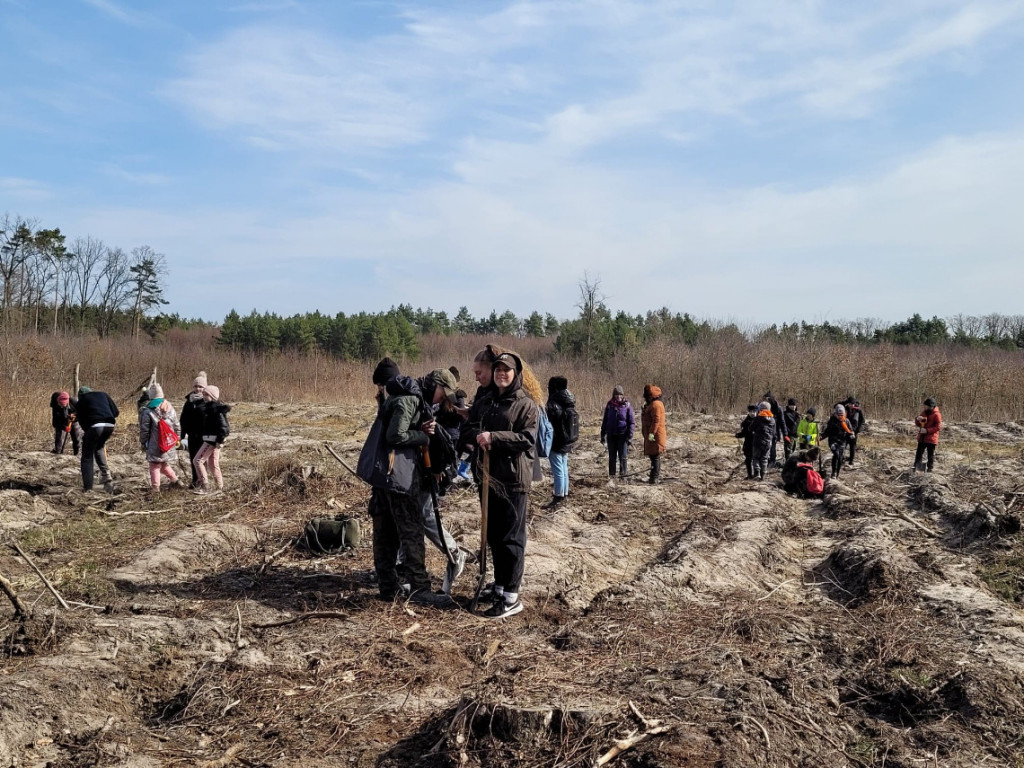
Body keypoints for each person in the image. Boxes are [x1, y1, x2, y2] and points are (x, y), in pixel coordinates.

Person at [463, 351, 538, 618]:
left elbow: (527, 438)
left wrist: (494, 437)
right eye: (497, 370)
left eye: (506, 370)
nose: (501, 374)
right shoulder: (487, 401)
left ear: (516, 374)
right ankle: (499, 585)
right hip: (488, 478)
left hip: (513, 481)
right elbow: (469, 428)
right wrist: (475, 436)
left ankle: (511, 598)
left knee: (511, 539)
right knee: (494, 536)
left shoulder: (526, 405)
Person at [138, 383, 183, 493]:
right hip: (169, 442)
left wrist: (143, 442)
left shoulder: (148, 410)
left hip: (155, 444)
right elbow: (176, 424)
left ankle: (155, 489)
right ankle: (175, 481)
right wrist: (177, 438)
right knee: (163, 464)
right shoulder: (170, 407)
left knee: (154, 466)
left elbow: (145, 429)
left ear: (151, 396)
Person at [75, 386, 119, 493]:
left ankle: (88, 488)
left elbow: (82, 421)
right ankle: (107, 477)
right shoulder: (103, 394)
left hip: (95, 426)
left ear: (80, 396)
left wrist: (89, 432)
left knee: (87, 456)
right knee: (99, 448)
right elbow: (116, 412)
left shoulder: (81, 402)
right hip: (110, 425)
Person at [544, 376, 579, 508]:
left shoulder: (554, 403)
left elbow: (551, 424)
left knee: (558, 469)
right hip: (567, 440)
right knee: (564, 468)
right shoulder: (569, 400)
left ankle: (558, 497)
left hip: (557, 441)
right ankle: (564, 493)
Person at [193, 385, 230, 494]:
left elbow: (224, 428)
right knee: (213, 464)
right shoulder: (209, 408)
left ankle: (205, 486)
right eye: (203, 394)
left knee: (197, 460)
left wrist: (220, 440)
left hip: (212, 440)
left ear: (213, 396)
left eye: (206, 394)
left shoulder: (216, 410)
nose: (203, 396)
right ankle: (220, 488)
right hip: (211, 439)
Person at [179, 371, 208, 488]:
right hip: (191, 435)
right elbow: (183, 418)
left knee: (201, 460)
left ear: (204, 387)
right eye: (196, 386)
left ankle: (203, 481)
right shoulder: (189, 401)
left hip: (204, 435)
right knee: (193, 459)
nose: (198, 389)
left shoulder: (207, 401)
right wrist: (182, 434)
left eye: (200, 386)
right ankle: (195, 481)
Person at [600, 386, 634, 479]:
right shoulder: (609, 405)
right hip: (611, 435)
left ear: (623, 395)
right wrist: (602, 434)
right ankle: (612, 476)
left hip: (622, 435)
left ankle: (623, 477)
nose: (618, 396)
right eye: (616, 394)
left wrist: (630, 435)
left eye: (620, 394)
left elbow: (631, 422)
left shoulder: (627, 406)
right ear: (613, 395)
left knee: (623, 457)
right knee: (612, 457)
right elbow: (605, 420)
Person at [641, 384, 667, 484]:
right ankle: (653, 477)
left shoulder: (656, 405)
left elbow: (656, 420)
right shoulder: (653, 404)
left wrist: (651, 433)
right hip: (652, 435)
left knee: (655, 456)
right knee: (653, 456)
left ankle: (654, 478)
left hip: (656, 436)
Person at [822, 404, 855, 479]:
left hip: (842, 441)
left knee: (840, 457)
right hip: (833, 441)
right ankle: (833, 472)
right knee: (836, 454)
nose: (840, 416)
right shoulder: (832, 421)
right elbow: (827, 432)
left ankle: (837, 473)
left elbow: (850, 431)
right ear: (835, 414)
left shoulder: (846, 421)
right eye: (838, 415)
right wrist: (821, 437)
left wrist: (851, 435)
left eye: (841, 415)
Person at [49, 391, 83, 455]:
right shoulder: (55, 406)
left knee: (76, 437)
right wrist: (64, 427)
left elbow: (81, 413)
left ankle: (76, 453)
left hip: (74, 421)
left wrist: (74, 415)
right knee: (59, 437)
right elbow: (56, 422)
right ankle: (58, 453)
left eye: (64, 405)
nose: (62, 406)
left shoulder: (74, 402)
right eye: (61, 405)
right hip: (62, 422)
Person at [914, 397, 942, 472]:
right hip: (922, 437)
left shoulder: (937, 415)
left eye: (925, 406)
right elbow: (918, 423)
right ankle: (917, 470)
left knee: (930, 455)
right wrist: (917, 419)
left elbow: (938, 427)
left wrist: (927, 431)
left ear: (930, 406)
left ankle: (930, 470)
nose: (924, 407)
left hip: (931, 438)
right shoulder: (924, 412)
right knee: (919, 454)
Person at [751, 401, 776, 481]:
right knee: (764, 459)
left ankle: (757, 472)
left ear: (760, 409)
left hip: (757, 442)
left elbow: (751, 428)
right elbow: (774, 432)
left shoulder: (758, 418)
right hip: (768, 443)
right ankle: (763, 475)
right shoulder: (772, 420)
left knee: (755, 458)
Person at [763, 391, 788, 467]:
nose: (765, 401)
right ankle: (764, 460)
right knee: (764, 446)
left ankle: (772, 461)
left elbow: (782, 422)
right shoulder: (763, 407)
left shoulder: (778, 409)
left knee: (772, 447)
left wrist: (785, 434)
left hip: (774, 431)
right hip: (764, 431)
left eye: (767, 399)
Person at [735, 404, 758, 479]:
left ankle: (757, 474)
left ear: (757, 411)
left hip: (757, 444)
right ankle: (749, 475)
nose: (752, 413)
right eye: (751, 411)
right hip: (748, 443)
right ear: (748, 412)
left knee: (756, 460)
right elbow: (744, 433)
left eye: (754, 411)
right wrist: (738, 435)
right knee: (748, 460)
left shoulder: (759, 420)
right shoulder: (745, 422)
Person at [843, 397, 865, 466]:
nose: (851, 405)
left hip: (854, 431)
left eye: (852, 404)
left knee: (852, 447)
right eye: (849, 404)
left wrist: (858, 430)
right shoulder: (844, 409)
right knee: (843, 446)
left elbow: (862, 421)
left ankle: (851, 460)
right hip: (845, 431)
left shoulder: (858, 411)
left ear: (855, 404)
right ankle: (841, 459)